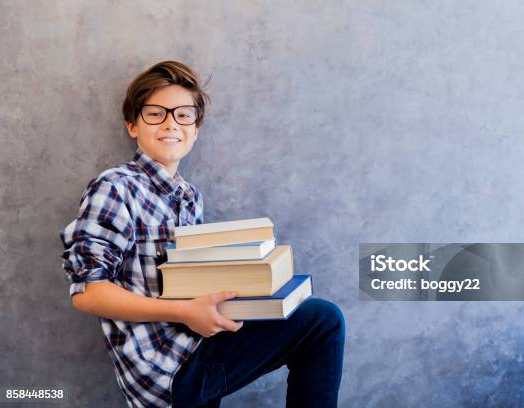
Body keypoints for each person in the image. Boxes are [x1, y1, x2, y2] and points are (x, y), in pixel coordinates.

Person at [60, 60, 345, 408]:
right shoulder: (116, 187)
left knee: (304, 307)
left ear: (195, 130)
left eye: (183, 115)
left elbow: (189, 281)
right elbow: (88, 293)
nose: (170, 123)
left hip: (199, 338)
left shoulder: (190, 197)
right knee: (323, 320)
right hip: (165, 369)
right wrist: (183, 312)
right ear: (132, 126)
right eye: (155, 113)